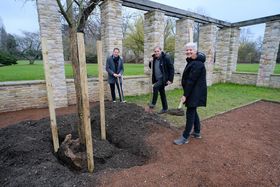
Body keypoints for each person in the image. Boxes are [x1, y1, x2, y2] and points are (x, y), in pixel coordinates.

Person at [174, 42, 207, 145]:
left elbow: (191, 81)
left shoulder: (197, 63)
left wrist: (185, 95)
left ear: (195, 51)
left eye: (190, 50)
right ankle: (197, 132)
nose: (188, 51)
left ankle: (185, 137)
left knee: (190, 112)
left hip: (194, 92)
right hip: (193, 91)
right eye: (187, 50)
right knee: (193, 110)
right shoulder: (192, 61)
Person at [148, 46, 174, 114]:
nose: (156, 53)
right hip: (157, 78)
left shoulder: (166, 58)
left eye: (158, 51)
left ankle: (153, 103)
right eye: (155, 51)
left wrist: (170, 79)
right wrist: (150, 62)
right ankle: (165, 108)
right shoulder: (154, 58)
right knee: (162, 93)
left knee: (155, 87)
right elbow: (152, 67)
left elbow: (171, 68)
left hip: (164, 78)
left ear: (160, 51)